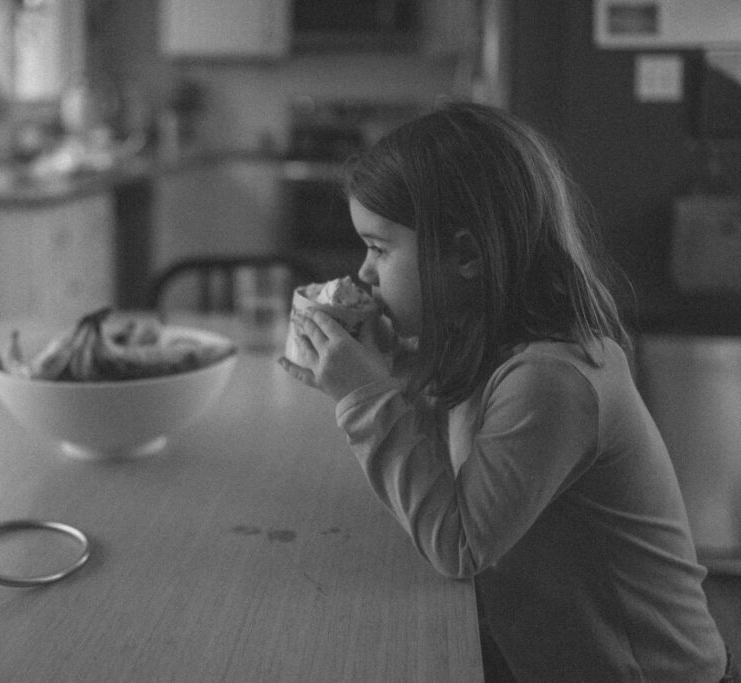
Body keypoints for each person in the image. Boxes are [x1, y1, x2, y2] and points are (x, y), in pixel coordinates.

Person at [278, 101, 735, 682]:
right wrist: (389, 372)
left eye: (380, 248)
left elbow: (461, 544)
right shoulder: (484, 340)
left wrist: (367, 397)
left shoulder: (552, 379)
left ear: (466, 255)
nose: (365, 272)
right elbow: (456, 464)